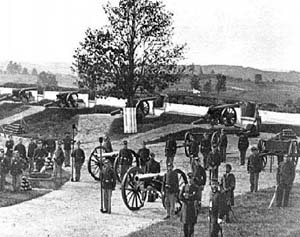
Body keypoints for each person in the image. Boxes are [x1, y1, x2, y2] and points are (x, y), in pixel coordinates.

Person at [179, 172, 198, 237]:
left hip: (192, 208)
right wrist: (188, 196)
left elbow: (196, 197)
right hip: (185, 207)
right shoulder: (184, 187)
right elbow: (180, 196)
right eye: (189, 178)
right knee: (185, 225)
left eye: (191, 178)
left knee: (191, 225)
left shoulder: (195, 187)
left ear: (193, 179)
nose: (190, 180)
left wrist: (187, 196)